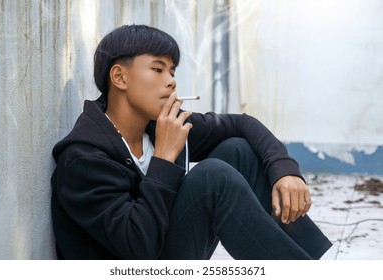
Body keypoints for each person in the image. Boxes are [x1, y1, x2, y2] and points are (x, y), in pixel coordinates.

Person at [50, 24, 332, 260]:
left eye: (172, 71)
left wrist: (285, 169)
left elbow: (240, 124)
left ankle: (312, 262)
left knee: (238, 151)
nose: (171, 81)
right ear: (119, 77)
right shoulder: (84, 159)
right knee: (212, 178)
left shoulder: (158, 126)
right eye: (158, 69)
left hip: (166, 253)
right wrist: (163, 159)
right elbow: (136, 247)